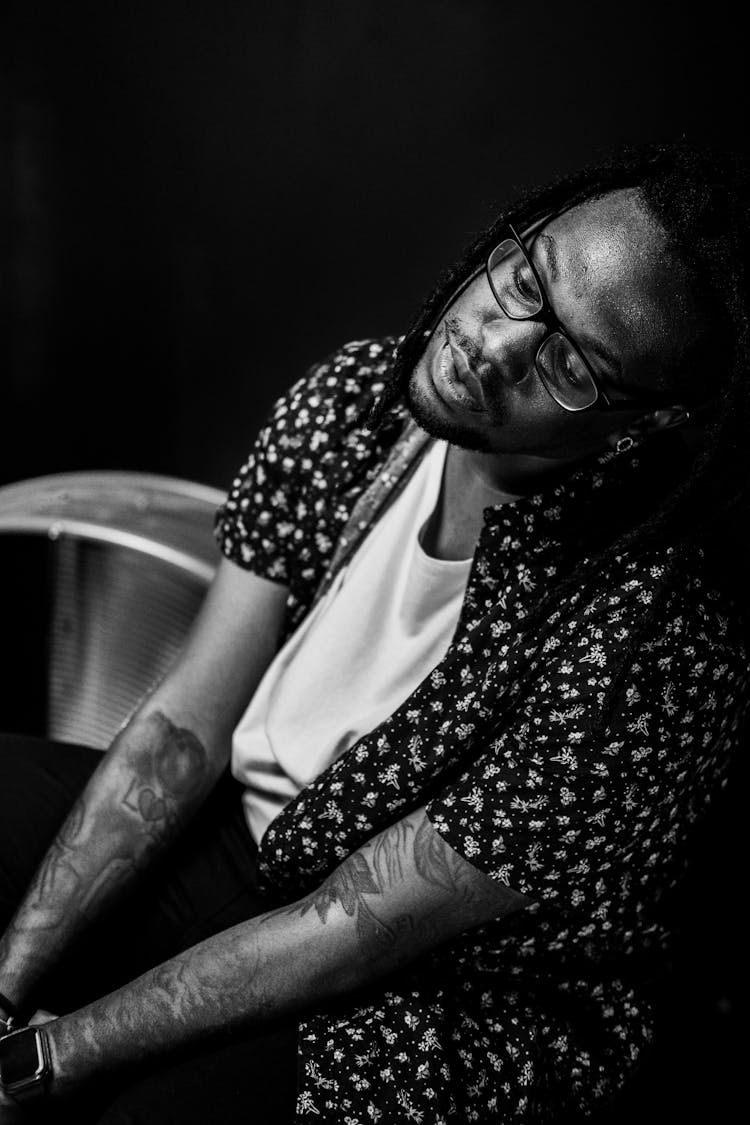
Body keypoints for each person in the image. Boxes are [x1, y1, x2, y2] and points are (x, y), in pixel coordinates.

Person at [0, 142, 748, 1124]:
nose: (498, 341)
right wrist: (11, 984)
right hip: (245, 839)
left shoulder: (648, 658)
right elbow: (186, 723)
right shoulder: (356, 404)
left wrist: (37, 1064)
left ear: (637, 427)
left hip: (439, 991)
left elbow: (356, 928)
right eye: (526, 278)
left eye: (571, 361)